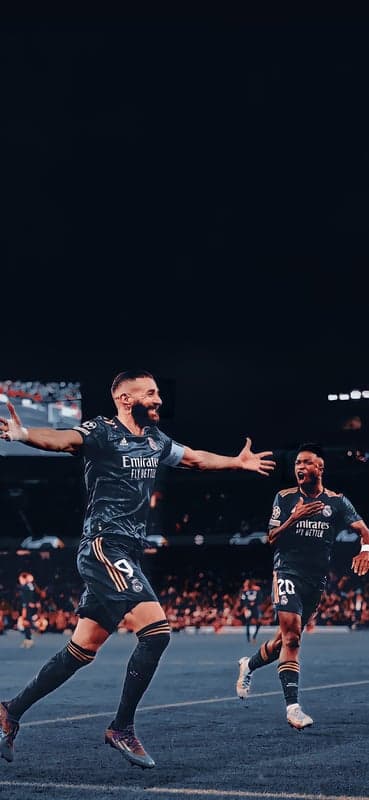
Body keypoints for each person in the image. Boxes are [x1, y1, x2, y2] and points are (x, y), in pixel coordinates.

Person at [0, 368, 275, 769]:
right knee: (157, 631)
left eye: (159, 391)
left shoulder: (155, 440)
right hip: (104, 546)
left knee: (82, 650)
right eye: (150, 392)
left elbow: (195, 458)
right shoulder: (102, 431)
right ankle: (121, 728)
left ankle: (10, 711)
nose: (159, 398)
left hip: (129, 550)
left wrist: (236, 462)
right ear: (125, 399)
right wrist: (25, 435)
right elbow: (65, 440)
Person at [235, 442, 369, 730]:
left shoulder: (337, 502)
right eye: (297, 463)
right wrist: (293, 518)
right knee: (294, 638)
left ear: (319, 468)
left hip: (316, 580)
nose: (299, 467)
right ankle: (293, 707)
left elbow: (364, 531)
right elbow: (271, 538)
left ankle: (249, 664)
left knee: (285, 639)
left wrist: (366, 551)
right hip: (286, 572)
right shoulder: (283, 498)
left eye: (306, 462)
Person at [16, 572, 45, 649]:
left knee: (26, 622)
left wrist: (26, 607)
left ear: (24, 578)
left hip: (27, 607)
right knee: (27, 622)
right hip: (30, 606)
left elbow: (26, 599)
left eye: (21, 579)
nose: (20, 581)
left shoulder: (26, 587)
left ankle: (29, 639)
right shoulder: (30, 586)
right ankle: (28, 638)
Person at [237, 578, 263, 642]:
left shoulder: (257, 589)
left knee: (259, 622)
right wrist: (246, 605)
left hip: (255, 607)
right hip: (248, 608)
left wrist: (255, 602)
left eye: (246, 583)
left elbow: (260, 598)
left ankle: (254, 636)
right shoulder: (244, 591)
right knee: (248, 622)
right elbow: (243, 600)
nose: (245, 584)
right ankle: (248, 638)